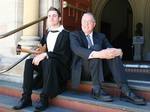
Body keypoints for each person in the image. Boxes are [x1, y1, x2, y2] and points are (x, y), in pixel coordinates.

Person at [69, 12, 146, 105]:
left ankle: (125, 90)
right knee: (96, 48)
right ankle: (96, 89)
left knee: (111, 53)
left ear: (94, 24)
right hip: (83, 71)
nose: (85, 24)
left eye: (89, 22)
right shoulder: (74, 35)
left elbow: (111, 49)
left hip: (100, 70)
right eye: (83, 21)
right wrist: (99, 54)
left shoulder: (101, 36)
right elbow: (77, 49)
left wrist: (119, 51)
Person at [13, 7, 71, 111]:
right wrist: (38, 53)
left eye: (54, 16)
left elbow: (64, 56)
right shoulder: (47, 34)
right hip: (47, 66)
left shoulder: (66, 34)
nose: (51, 18)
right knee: (29, 62)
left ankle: (44, 99)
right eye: (49, 16)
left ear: (60, 18)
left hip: (59, 69)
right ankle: (26, 98)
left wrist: (45, 55)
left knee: (49, 61)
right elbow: (42, 48)